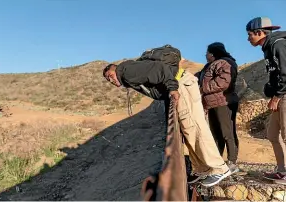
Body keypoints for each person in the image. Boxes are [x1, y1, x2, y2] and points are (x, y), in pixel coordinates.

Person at [102, 45, 232, 187]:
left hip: (180, 85)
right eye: (108, 80)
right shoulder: (128, 73)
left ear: (116, 69)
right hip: (180, 84)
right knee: (188, 130)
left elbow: (160, 69)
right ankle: (203, 169)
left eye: (110, 76)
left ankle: (219, 168)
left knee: (195, 128)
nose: (111, 80)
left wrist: (172, 89)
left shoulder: (127, 71)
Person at [246, 17, 286, 183]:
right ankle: (282, 171)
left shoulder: (278, 44)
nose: (248, 38)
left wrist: (277, 96)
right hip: (280, 95)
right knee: (272, 134)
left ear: (259, 32)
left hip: (284, 95)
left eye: (250, 35)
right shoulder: (268, 48)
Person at [195, 42, 240, 174]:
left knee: (227, 133)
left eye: (207, 53)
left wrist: (203, 89)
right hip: (212, 104)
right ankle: (218, 162)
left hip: (223, 103)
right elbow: (197, 78)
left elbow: (223, 82)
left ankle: (232, 162)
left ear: (212, 53)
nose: (205, 55)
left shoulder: (225, 63)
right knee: (216, 134)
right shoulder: (208, 67)